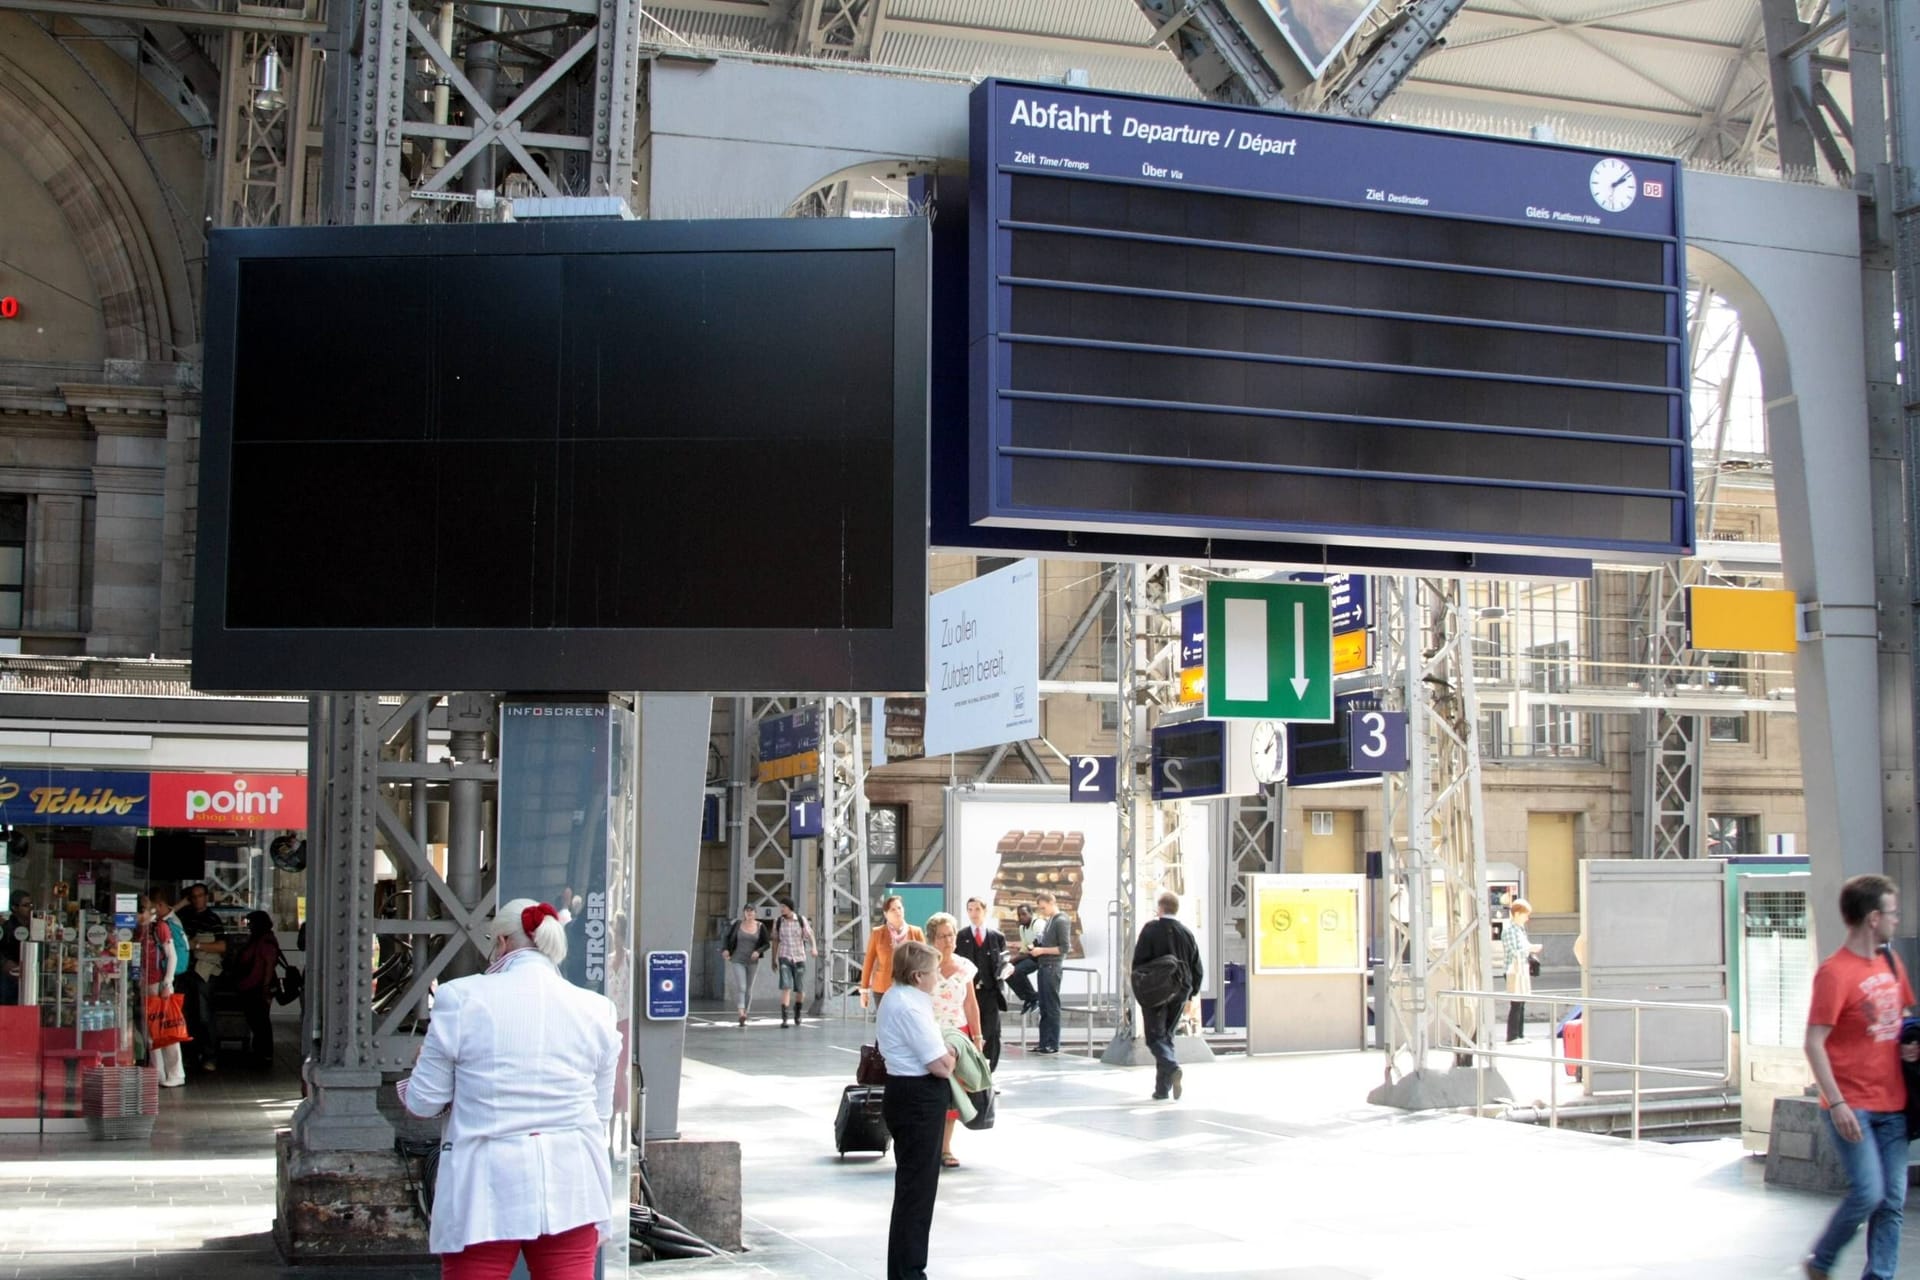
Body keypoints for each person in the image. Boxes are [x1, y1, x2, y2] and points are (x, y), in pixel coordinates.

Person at [399, 898, 622, 1280]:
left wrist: (427, 1067)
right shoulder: (597, 1008)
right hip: (572, 1179)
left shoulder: (460, 998)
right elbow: (599, 1113)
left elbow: (422, 1101)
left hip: (484, 1182)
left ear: (501, 942)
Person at [1802, 874, 1919, 1280]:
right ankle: (1821, 1261)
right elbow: (1814, 1041)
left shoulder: (1890, 962)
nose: (1896, 920)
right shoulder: (1835, 973)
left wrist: (1909, 1043)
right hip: (1853, 1106)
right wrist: (1836, 1103)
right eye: (1892, 913)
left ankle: (1879, 1276)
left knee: (1891, 1202)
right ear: (1873, 918)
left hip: (1894, 1104)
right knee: (1869, 1192)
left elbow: (1901, 1017)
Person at [875, 940, 955, 1280]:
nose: (938, 977)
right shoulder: (909, 1006)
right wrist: (953, 1050)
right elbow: (940, 1065)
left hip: (906, 1092)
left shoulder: (901, 998)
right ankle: (909, 1271)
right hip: (918, 1096)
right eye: (934, 971)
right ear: (919, 974)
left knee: (913, 1188)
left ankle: (905, 1268)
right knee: (917, 1191)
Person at [922, 913, 984, 1168]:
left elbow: (971, 1003)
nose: (949, 941)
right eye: (943, 936)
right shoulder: (924, 966)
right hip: (928, 1033)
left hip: (958, 1035)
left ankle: (946, 1147)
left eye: (951, 935)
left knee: (954, 1091)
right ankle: (927, 1143)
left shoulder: (965, 966)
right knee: (929, 1091)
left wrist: (978, 1037)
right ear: (932, 939)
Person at [1132, 891, 1203, 1101]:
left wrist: (1139, 983)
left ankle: (1172, 1068)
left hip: (1155, 990)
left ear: (1160, 908)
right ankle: (1162, 1089)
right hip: (1180, 990)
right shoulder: (1186, 933)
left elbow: (1139, 960)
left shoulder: (1151, 929)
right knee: (1167, 1037)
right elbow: (1197, 967)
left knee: (1154, 1037)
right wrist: (1192, 994)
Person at [174, 883, 226, 1072]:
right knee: (187, 1015)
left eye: (200, 896)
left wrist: (197, 946)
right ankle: (190, 1054)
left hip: (204, 973)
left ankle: (210, 1055)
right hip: (186, 972)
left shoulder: (212, 919)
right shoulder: (184, 917)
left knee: (204, 1015)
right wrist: (182, 904)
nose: (197, 900)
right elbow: (167, 915)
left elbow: (222, 946)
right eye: (193, 897)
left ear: (207, 897)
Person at [953, 898, 1006, 1069]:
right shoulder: (961, 936)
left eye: (977, 909)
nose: (974, 913)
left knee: (992, 1032)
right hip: (969, 991)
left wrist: (1006, 970)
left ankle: (990, 1071)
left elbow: (1004, 961)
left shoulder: (996, 937)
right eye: (970, 909)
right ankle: (971, 1068)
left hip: (990, 990)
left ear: (984, 911)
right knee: (970, 1029)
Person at [143, 890, 186, 1088]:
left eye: (143, 908)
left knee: (166, 1028)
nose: (139, 912)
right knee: (151, 1029)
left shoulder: (160, 928)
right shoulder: (140, 930)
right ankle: (157, 1072)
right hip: (146, 983)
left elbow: (172, 956)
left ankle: (176, 1073)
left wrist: (167, 983)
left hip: (159, 983)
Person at [232, 910, 284, 1068]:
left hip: (258, 986)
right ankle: (260, 1052)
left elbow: (268, 966)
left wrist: (265, 987)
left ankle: (264, 1053)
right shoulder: (260, 939)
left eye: (251, 923)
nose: (249, 926)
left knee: (260, 1022)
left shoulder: (265, 941)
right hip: (252, 985)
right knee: (257, 1021)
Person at [860, 895, 924, 1014]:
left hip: (909, 987)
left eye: (899, 908)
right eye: (893, 909)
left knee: (906, 1022)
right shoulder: (877, 933)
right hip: (883, 988)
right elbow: (868, 962)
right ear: (886, 914)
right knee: (887, 1024)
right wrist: (864, 990)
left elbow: (924, 962)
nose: (897, 912)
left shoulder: (916, 932)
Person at [1029, 891, 1071, 1054]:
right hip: (1044, 966)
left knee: (1052, 1005)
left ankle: (1053, 1043)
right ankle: (1044, 1041)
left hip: (1052, 967)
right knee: (1045, 1006)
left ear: (1051, 903)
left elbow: (1064, 948)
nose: (1041, 911)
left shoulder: (1061, 920)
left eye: (1043, 907)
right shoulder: (1050, 920)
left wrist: (1042, 950)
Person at [771, 897, 816, 1028]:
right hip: (784, 957)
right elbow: (775, 941)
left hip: (799, 958)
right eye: (781, 906)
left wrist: (813, 947)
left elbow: (810, 934)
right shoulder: (778, 922)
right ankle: (784, 1018)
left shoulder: (801, 920)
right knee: (786, 987)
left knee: (800, 989)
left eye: (783, 906)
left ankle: (797, 1013)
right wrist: (773, 959)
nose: (781, 909)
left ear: (790, 907)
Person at [721, 904, 769, 1027]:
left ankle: (746, 1013)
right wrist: (725, 949)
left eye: (751, 911)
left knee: (748, 989)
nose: (749, 913)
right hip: (738, 959)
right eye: (747, 911)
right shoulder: (737, 925)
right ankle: (741, 1013)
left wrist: (758, 951)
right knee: (741, 987)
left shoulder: (760, 926)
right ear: (744, 913)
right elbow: (726, 938)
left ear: (755, 913)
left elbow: (766, 944)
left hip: (752, 961)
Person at [1503, 898, 1543, 1043]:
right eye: (1526, 915)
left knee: (1521, 1002)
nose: (1527, 918)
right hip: (1513, 969)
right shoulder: (1510, 930)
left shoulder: (1519, 929)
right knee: (1516, 1003)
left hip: (1521, 969)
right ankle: (1512, 1035)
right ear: (1518, 914)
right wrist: (1531, 948)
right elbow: (1515, 951)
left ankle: (1519, 1034)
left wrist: (1530, 949)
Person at [1003, 903, 1041, 1015]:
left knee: (1018, 970)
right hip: (1030, 955)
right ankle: (1028, 998)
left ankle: (1035, 998)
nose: (1021, 917)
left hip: (1040, 956)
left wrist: (1016, 960)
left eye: (1024, 914)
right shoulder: (1022, 928)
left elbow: (1037, 946)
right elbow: (1025, 947)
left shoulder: (1037, 924)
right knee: (1006, 971)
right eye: (1019, 915)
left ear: (1031, 914)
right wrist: (1013, 960)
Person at [0, 890, 31, 1006]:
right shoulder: (6, 928)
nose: (30, 908)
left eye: (31, 905)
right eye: (25, 905)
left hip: (28, 975)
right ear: (14, 907)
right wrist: (5, 963)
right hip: (9, 977)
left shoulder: (33, 926)